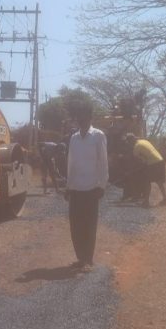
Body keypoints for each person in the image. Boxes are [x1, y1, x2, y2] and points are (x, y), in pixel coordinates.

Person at [65, 104, 109, 272]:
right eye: (79, 117)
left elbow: (103, 162)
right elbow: (71, 163)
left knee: (89, 225)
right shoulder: (74, 138)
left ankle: (87, 260)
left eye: (84, 117)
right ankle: (80, 258)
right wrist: (68, 186)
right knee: (75, 226)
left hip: (91, 188)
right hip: (75, 188)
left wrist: (102, 185)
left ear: (90, 118)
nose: (81, 120)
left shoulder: (98, 136)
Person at [126, 133, 166, 207]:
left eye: (129, 142)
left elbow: (139, 161)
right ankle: (165, 200)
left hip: (153, 163)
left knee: (147, 182)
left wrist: (131, 171)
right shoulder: (145, 141)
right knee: (159, 181)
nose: (129, 144)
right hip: (160, 160)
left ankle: (146, 202)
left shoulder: (136, 147)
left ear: (130, 141)